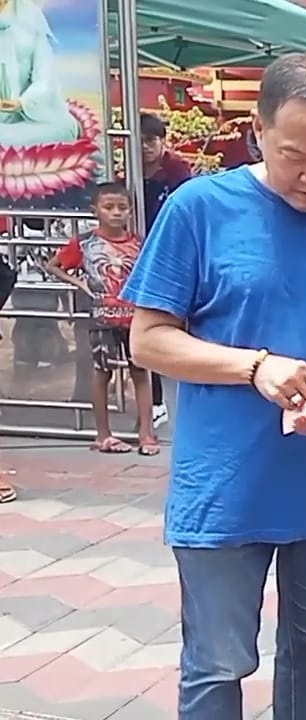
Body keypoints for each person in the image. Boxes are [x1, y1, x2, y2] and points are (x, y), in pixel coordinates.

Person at [120, 54, 306, 720]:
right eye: (294, 156)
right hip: (226, 480)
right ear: (257, 132)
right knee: (217, 662)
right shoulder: (200, 209)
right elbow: (149, 339)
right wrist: (255, 367)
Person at [46, 183, 158, 455]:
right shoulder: (85, 243)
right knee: (102, 372)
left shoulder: (139, 243)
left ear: (130, 210)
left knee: (140, 372)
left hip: (134, 318)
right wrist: (80, 285)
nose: (116, 213)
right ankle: (103, 435)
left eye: (122, 207)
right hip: (101, 318)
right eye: (109, 207)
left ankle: (146, 434)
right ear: (95, 210)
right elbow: (53, 265)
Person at [139, 111, 193, 428]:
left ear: (162, 142)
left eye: (151, 141)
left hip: (172, 247)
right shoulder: (127, 173)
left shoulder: (176, 172)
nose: (146, 148)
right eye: (141, 141)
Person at [0, 0, 81, 147]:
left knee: (66, 127)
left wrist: (22, 103)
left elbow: (44, 76)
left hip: (25, 117)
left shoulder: (31, 15)